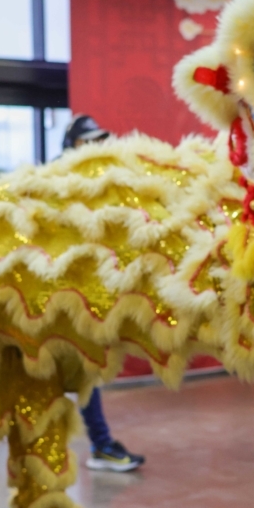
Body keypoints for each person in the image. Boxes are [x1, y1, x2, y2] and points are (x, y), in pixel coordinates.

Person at [62, 115, 145, 472]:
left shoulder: (98, 185)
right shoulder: (55, 183)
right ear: (75, 145)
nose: (97, 148)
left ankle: (99, 445)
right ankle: (96, 445)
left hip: (81, 295)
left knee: (85, 370)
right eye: (90, 141)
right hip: (50, 298)